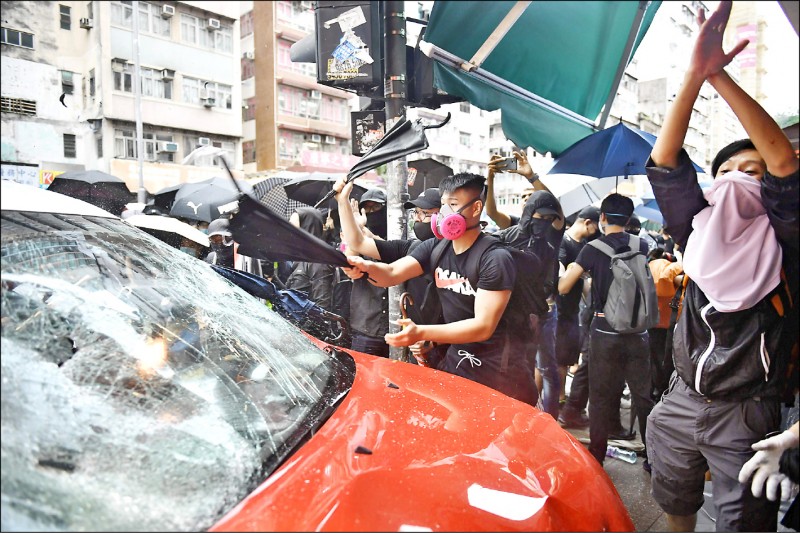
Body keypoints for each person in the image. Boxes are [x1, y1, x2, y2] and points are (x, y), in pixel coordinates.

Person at [643, 2, 799, 531]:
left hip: (747, 412)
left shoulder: (785, 243)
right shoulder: (695, 235)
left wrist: (719, 77)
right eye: (725, 171)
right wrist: (691, 78)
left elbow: (784, 166)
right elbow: (666, 165)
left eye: (749, 172)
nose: (735, 179)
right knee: (675, 499)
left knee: (743, 521)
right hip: (681, 399)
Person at [346, 173, 539, 406]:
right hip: (458, 363)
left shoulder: (495, 259)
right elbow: (391, 274)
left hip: (500, 373)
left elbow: (483, 327)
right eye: (444, 204)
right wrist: (365, 266)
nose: (445, 213)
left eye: (454, 205)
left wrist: (422, 332)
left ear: (476, 207)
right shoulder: (437, 247)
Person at [558, 193, 655, 468]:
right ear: (628, 218)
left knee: (600, 395)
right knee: (642, 395)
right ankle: (653, 458)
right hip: (639, 332)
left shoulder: (592, 248)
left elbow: (565, 287)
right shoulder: (643, 245)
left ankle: (597, 456)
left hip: (605, 330)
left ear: (601, 218)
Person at [334, 181, 446, 366]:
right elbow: (359, 243)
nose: (417, 219)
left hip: (453, 353)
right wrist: (342, 202)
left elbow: (473, 319)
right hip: (418, 350)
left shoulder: (462, 253)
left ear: (445, 216)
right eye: (416, 213)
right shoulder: (414, 247)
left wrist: (434, 339)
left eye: (424, 213)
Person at [492, 188, 565, 418]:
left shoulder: (549, 249)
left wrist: (532, 301)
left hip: (529, 322)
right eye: (540, 216)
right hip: (499, 317)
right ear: (529, 211)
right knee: (496, 370)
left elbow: (548, 285)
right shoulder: (504, 237)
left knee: (523, 372)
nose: (543, 223)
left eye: (548, 219)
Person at [555, 205, 600, 425]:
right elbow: (561, 280)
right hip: (559, 311)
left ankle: (560, 403)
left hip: (574, 311)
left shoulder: (583, 246)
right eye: (596, 225)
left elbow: (583, 284)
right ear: (587, 222)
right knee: (557, 361)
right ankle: (557, 403)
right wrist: (575, 269)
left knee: (566, 359)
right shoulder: (563, 242)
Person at [346, 187, 392, 357]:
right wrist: (356, 230)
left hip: (395, 328)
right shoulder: (359, 239)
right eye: (368, 209)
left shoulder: (399, 233)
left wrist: (366, 233)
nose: (372, 212)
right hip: (366, 327)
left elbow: (393, 253)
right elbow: (348, 262)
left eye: (376, 208)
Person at [646, 247, 683, 400]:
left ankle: (652, 390)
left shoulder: (646, 268)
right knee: (667, 360)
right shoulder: (674, 269)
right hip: (670, 323)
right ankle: (664, 391)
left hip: (649, 322)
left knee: (652, 360)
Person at [285, 207, 336, 311]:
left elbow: (322, 305)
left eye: (293, 225)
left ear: (306, 228)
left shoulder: (319, 261)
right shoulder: (301, 258)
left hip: (303, 324)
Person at [485, 150, 548, 230]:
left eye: (531, 195)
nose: (526, 198)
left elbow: (550, 202)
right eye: (523, 196)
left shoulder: (550, 222)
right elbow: (492, 213)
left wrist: (531, 176)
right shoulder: (515, 223)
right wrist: (490, 178)